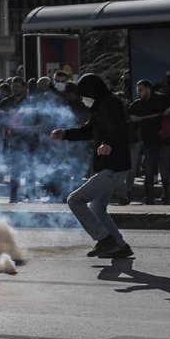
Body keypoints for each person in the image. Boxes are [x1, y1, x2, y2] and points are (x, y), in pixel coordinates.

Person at [51, 73, 133, 258]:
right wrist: (65, 134)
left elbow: (118, 127)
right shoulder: (99, 107)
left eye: (84, 95)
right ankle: (119, 246)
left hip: (113, 168)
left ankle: (105, 240)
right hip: (108, 167)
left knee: (75, 200)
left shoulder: (109, 104)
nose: (82, 99)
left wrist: (108, 143)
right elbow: (88, 130)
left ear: (92, 91)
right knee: (97, 208)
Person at [129, 79, 170, 205]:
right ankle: (149, 198)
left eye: (141, 90)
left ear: (148, 89)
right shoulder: (137, 105)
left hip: (164, 141)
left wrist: (169, 109)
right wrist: (132, 116)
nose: (139, 93)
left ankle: (168, 196)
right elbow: (129, 112)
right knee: (148, 172)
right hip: (149, 143)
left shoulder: (162, 99)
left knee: (164, 172)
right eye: (138, 90)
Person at [0, 77, 39, 203]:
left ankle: (30, 194)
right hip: (13, 139)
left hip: (30, 139)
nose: (14, 88)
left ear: (23, 87)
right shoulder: (6, 103)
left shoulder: (31, 102)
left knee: (31, 167)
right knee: (15, 168)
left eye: (17, 86)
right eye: (13, 86)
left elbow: (38, 121)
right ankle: (14, 196)